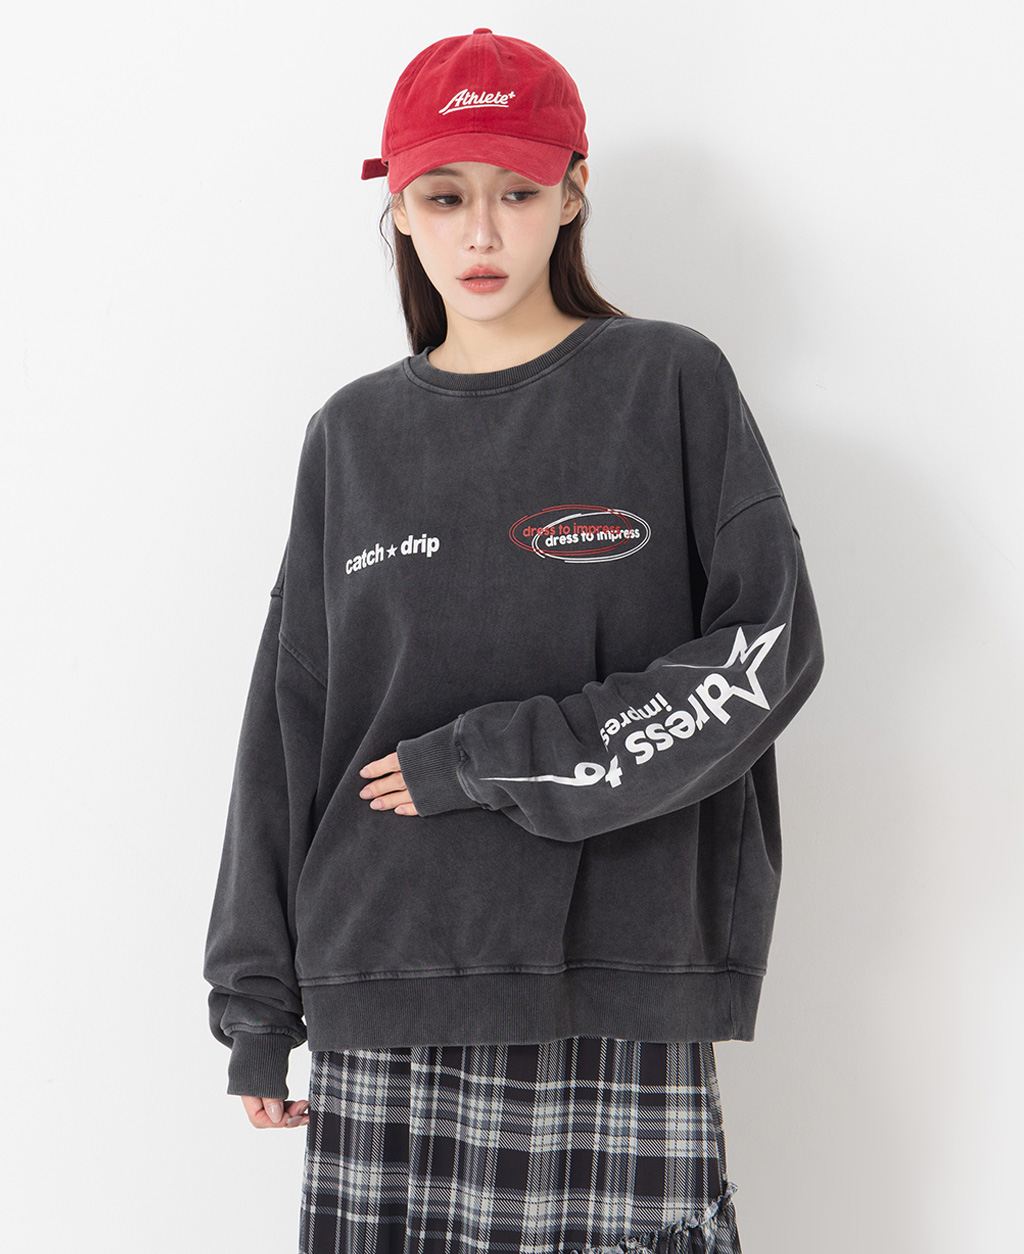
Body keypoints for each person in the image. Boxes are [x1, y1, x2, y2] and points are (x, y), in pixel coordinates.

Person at [203, 26, 824, 1254]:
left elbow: (766, 650)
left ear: (572, 194)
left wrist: (485, 760)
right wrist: (255, 1000)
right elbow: (289, 723)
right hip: (383, 976)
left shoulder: (668, 382)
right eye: (443, 197)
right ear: (398, 208)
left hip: (614, 974)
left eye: (517, 193)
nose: (479, 233)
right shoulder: (351, 435)